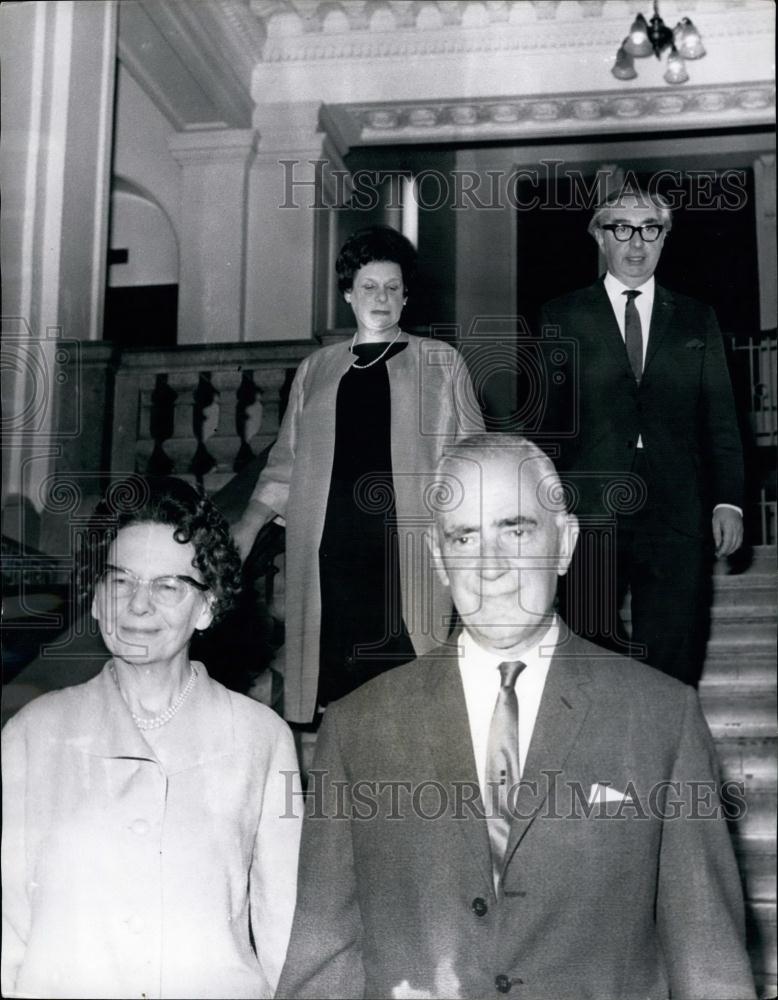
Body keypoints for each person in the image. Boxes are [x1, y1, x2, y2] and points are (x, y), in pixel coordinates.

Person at [276, 434, 754, 1000]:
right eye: (465, 536)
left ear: (565, 542)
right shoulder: (359, 726)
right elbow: (322, 965)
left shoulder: (659, 717)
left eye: (516, 529)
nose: (491, 566)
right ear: (437, 556)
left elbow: (711, 968)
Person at [2, 476, 302, 1000]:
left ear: (207, 607)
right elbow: (7, 929)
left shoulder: (261, 739)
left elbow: (287, 933)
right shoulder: (31, 734)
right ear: (96, 599)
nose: (138, 606)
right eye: (120, 581)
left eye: (168, 586)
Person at [232, 225, 483, 724]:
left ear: (407, 296)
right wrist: (248, 524)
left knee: (411, 684)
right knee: (341, 694)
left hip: (404, 551)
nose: (382, 298)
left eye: (393, 287)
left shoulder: (441, 363)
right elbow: (284, 463)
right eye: (369, 286)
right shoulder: (316, 369)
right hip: (330, 555)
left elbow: (472, 459)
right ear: (348, 293)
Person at [538, 187, 744, 685]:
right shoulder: (561, 315)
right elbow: (546, 425)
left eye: (651, 229)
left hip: (677, 508)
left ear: (664, 237)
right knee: (586, 646)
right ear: (599, 236)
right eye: (621, 229)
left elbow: (721, 418)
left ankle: (664, 754)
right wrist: (542, 509)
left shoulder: (697, 317)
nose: (636, 243)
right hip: (589, 508)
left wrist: (729, 502)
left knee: (674, 651)